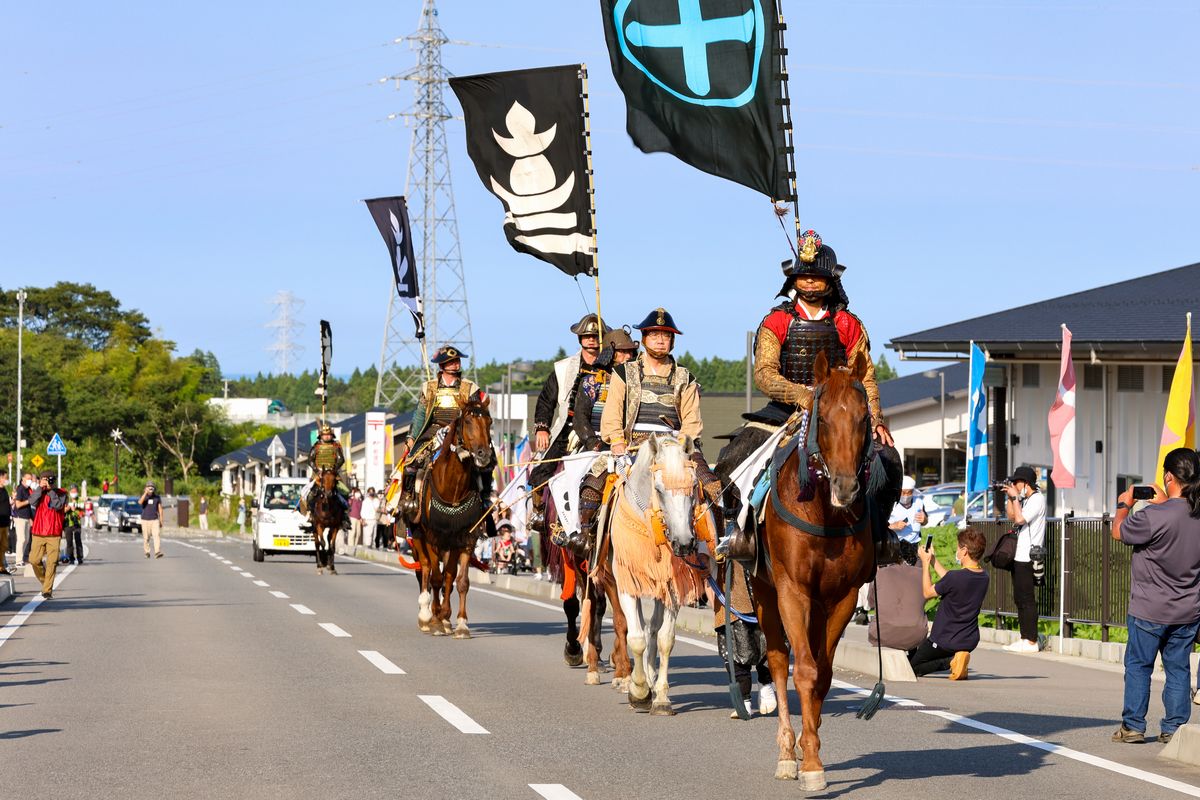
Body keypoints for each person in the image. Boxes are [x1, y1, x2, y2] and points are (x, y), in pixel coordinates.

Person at [719, 231, 900, 556]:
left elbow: (867, 376)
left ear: (831, 281)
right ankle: (737, 531)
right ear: (795, 280)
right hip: (786, 411)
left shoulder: (847, 323)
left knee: (889, 459)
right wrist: (802, 395)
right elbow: (764, 373)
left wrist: (875, 419)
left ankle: (881, 536)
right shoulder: (777, 321)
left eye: (818, 277)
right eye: (805, 277)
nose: (812, 283)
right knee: (734, 455)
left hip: (841, 410)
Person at [1110, 448, 1200, 745]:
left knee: (1138, 666)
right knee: (1178, 669)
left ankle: (1133, 726)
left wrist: (1124, 503)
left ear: (1168, 476)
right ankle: (1174, 729)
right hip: (1187, 610)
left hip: (1148, 608)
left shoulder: (1152, 516)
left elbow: (1119, 531)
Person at [600, 308, 723, 514]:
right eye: (654, 334)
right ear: (644, 338)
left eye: (666, 335)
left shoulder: (686, 377)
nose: (660, 340)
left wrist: (680, 449)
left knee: (712, 488)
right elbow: (612, 412)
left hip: (676, 446)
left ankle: (717, 542)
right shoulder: (623, 373)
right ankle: (589, 538)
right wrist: (617, 440)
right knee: (593, 488)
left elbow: (692, 421)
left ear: (672, 341)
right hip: (632, 446)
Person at [528, 313, 610, 535]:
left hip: (604, 429)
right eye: (587, 335)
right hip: (568, 427)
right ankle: (537, 511)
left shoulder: (612, 369)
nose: (591, 340)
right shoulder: (563, 368)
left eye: (596, 335)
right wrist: (542, 427)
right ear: (580, 338)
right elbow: (546, 400)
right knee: (541, 471)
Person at [563, 326, 640, 558]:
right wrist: (592, 442)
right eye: (623, 353)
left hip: (630, 444)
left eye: (630, 353)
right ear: (609, 354)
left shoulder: (637, 382)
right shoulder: (591, 382)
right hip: (595, 443)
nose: (628, 357)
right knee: (586, 485)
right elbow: (580, 417)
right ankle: (581, 532)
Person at [400, 345, 493, 535]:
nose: (456, 364)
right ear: (442, 365)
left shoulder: (470, 388)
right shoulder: (429, 387)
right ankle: (409, 498)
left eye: (457, 361)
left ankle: (484, 500)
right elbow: (420, 416)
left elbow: (479, 412)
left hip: (461, 432)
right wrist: (411, 437)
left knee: (486, 463)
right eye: (452, 361)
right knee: (411, 463)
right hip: (433, 430)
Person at [908, 528, 989, 679]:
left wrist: (925, 563)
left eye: (958, 547)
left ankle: (951, 661)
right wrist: (933, 560)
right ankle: (958, 657)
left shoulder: (955, 578)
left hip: (943, 639)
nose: (957, 551)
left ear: (964, 550)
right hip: (968, 640)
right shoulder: (984, 577)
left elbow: (927, 593)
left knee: (909, 668)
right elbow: (951, 582)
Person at [1003, 465, 1046, 653]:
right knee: (1019, 598)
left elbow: (1020, 520)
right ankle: (1024, 637)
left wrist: (1014, 497)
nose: (1014, 484)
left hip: (1029, 556)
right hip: (1019, 555)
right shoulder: (1026, 500)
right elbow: (1013, 516)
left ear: (1025, 483)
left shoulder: (1037, 499)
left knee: (1027, 599)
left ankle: (1031, 640)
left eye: (1016, 482)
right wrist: (1011, 498)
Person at [300, 424, 350, 531]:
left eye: (329, 435)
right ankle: (310, 514)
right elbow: (310, 460)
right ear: (321, 436)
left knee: (344, 492)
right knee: (309, 493)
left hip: (332, 474)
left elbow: (341, 459)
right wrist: (317, 470)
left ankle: (344, 517)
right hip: (318, 474)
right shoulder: (316, 447)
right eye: (325, 435)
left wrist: (333, 470)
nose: (327, 437)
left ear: (332, 435)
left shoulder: (336, 446)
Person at [29, 471, 68, 599]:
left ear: (54, 480)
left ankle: (47, 590)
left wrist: (51, 490)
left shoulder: (61, 493)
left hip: (54, 533)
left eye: (50, 480)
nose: (48, 482)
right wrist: (41, 487)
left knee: (52, 562)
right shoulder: (39, 492)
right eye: (45, 479)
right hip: (38, 531)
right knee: (34, 560)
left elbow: (58, 506)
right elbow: (32, 501)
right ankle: (45, 581)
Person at [12, 471, 34, 570]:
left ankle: (21, 559)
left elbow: (29, 506)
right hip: (19, 517)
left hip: (26, 517)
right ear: (23, 479)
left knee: (27, 539)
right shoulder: (20, 489)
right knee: (21, 539)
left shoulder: (28, 489)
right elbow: (18, 504)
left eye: (31, 479)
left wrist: (30, 518)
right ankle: (18, 560)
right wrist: (28, 501)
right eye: (29, 478)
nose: (30, 480)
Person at [140, 483, 164, 559]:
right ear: (145, 488)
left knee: (156, 535)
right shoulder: (144, 497)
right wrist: (145, 493)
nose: (150, 488)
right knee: (146, 537)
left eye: (152, 487)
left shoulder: (157, 497)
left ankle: (157, 552)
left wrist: (161, 520)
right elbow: (140, 502)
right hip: (145, 520)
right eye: (149, 487)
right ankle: (147, 552)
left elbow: (160, 509)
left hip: (154, 520)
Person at [62, 486, 83, 565]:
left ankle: (80, 557)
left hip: (77, 523)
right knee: (69, 542)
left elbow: (82, 512)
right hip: (68, 523)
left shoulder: (80, 500)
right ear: (70, 492)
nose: (74, 493)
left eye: (75, 491)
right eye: (72, 491)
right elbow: (62, 510)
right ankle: (71, 558)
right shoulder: (66, 500)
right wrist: (67, 509)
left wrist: (77, 511)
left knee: (78, 541)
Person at [0, 472, 11, 575]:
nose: (7, 480)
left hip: (5, 523)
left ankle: (2, 567)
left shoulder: (4, 490)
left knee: (3, 546)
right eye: (5, 478)